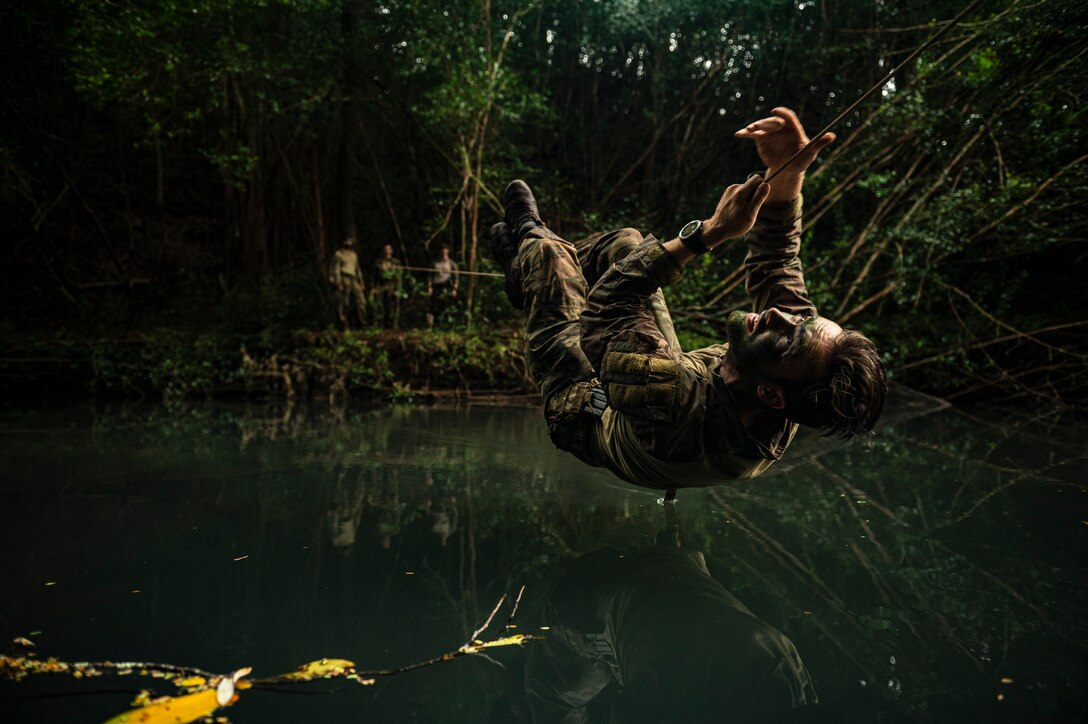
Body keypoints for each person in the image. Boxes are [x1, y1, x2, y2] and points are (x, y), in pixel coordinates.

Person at [489, 107, 887, 490]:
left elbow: (607, 307)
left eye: (787, 336)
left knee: (549, 256)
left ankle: (530, 243)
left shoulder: (676, 399)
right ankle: (527, 272)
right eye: (799, 321)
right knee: (629, 245)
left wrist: (710, 232)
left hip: (584, 409)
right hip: (656, 377)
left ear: (769, 394)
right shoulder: (798, 369)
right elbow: (778, 259)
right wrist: (788, 173)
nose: (778, 315)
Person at [328, 236, 367, 328]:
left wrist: (361, 281)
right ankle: (343, 324)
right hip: (343, 276)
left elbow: (357, 269)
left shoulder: (353, 255)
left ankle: (361, 322)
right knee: (344, 302)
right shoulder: (338, 254)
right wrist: (338, 282)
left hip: (353, 277)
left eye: (350, 241)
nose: (348, 243)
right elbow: (335, 269)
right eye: (346, 241)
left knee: (361, 301)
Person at [426, 244, 459, 328]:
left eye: (445, 250)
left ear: (448, 251)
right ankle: (435, 325)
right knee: (435, 305)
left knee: (445, 305)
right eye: (442, 250)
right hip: (436, 285)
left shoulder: (452, 264)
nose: (444, 252)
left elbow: (456, 277)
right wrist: (429, 287)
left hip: (447, 285)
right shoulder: (435, 263)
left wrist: (454, 288)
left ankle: (445, 325)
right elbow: (430, 276)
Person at [372, 243, 403, 329]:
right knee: (381, 305)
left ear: (391, 251)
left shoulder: (396, 262)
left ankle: (394, 325)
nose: (387, 251)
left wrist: (398, 289)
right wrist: (374, 287)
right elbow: (375, 276)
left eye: (389, 249)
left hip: (392, 284)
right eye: (385, 249)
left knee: (393, 305)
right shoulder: (379, 262)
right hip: (382, 285)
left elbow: (399, 277)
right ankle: (380, 325)